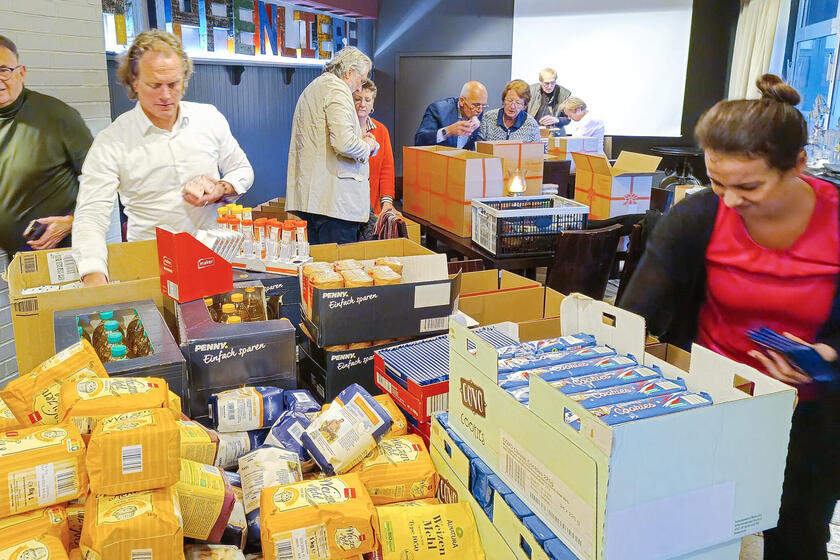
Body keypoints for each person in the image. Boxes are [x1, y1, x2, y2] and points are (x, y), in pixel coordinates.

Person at [619, 74, 840, 560]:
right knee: (696, 530)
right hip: (712, 404)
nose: (731, 200)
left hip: (810, 417)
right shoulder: (699, 216)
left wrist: (829, 356)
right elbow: (635, 314)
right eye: (716, 181)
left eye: (749, 185)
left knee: (798, 535)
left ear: (798, 165)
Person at [73, 29, 253, 287]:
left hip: (211, 257)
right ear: (134, 81)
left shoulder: (209, 118)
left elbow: (242, 170)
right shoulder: (112, 140)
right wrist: (94, 276)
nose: (166, 95)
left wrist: (220, 188)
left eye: (173, 84)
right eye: (155, 85)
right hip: (150, 265)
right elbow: (91, 214)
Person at [0, 35, 93, 255]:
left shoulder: (57, 116)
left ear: (21, 72)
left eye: (3, 70)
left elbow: (103, 177)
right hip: (18, 257)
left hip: (61, 251)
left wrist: (72, 220)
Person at [286, 46, 378, 245]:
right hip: (336, 204)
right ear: (348, 73)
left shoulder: (313, 88)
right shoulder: (338, 90)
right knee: (339, 269)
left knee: (319, 268)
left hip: (314, 201)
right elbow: (344, 144)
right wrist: (368, 146)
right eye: (361, 81)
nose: (359, 89)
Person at [353, 79, 397, 240]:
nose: (362, 104)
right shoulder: (345, 131)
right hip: (347, 206)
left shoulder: (381, 131)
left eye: (367, 100)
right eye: (357, 99)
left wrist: (387, 202)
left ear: (373, 105)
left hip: (374, 207)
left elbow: (386, 169)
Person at [414, 81, 488, 150]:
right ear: (462, 101)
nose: (480, 110)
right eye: (475, 105)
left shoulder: (477, 111)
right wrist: (447, 131)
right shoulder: (438, 109)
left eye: (483, 106)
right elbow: (419, 141)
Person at [527, 68, 571, 134]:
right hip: (532, 132)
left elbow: (568, 118)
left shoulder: (564, 94)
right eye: (546, 83)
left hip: (555, 133)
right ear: (540, 82)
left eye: (552, 83)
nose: (550, 86)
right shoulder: (530, 91)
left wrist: (557, 120)